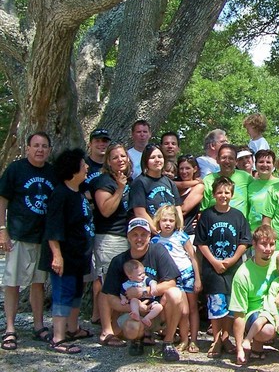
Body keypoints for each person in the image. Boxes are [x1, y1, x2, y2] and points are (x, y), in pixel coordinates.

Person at [0, 132, 56, 350]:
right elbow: (2, 200)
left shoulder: (52, 173)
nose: (40, 150)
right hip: (18, 235)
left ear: (49, 150)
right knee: (12, 283)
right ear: (28, 148)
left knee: (38, 283)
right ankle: (10, 329)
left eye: (44, 146)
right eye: (36, 146)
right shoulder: (16, 169)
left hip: (42, 237)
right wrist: (2, 230)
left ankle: (38, 325)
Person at [101, 217, 185, 361]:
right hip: (134, 312)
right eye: (135, 235)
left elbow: (171, 282)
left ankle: (168, 342)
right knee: (131, 329)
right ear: (128, 237)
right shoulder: (119, 261)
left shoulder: (158, 250)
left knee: (176, 293)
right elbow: (111, 299)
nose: (139, 239)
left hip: (157, 309)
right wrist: (135, 307)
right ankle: (137, 339)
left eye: (143, 234)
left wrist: (143, 292)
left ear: (149, 236)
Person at [39, 148, 94, 354]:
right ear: (73, 170)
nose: (87, 167)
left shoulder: (77, 193)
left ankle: (73, 329)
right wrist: (57, 255)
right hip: (64, 256)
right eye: (83, 165)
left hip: (78, 256)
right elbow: (52, 228)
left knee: (76, 293)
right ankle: (58, 338)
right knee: (63, 294)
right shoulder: (60, 194)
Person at [229, 225, 279, 366]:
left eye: (271, 244)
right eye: (263, 244)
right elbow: (239, 314)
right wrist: (239, 349)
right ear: (254, 244)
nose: (268, 248)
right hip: (257, 312)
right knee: (268, 330)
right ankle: (254, 342)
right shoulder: (243, 274)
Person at [196, 176, 252, 358]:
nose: (223, 195)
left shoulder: (238, 215)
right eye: (219, 192)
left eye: (227, 192)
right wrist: (214, 261)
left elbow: (245, 240)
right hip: (212, 269)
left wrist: (232, 259)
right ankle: (216, 340)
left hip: (232, 268)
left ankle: (226, 338)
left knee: (229, 305)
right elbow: (201, 242)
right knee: (216, 305)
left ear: (232, 194)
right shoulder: (207, 215)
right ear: (213, 194)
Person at [92, 143, 133, 346]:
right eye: (115, 157)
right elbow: (106, 210)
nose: (120, 160)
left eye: (123, 156)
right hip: (109, 237)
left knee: (120, 286)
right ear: (108, 161)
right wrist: (120, 189)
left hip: (128, 238)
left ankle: (116, 328)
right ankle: (106, 331)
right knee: (107, 284)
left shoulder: (130, 180)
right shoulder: (104, 181)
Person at [151, 205, 202, 353]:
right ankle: (182, 338)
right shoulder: (155, 241)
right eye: (164, 220)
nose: (167, 223)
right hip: (172, 278)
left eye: (171, 220)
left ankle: (193, 340)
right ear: (159, 221)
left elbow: (193, 257)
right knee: (183, 310)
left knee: (192, 308)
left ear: (176, 222)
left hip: (187, 274)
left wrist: (198, 278)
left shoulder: (181, 236)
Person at [128, 143, 181, 233]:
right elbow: (140, 212)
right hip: (151, 234)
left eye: (160, 157)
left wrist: (178, 228)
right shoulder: (139, 183)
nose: (157, 160)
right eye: (152, 158)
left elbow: (178, 208)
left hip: (171, 234)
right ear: (146, 161)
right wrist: (157, 231)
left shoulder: (170, 183)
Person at [200, 143, 252, 216]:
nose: (227, 161)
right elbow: (203, 210)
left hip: (240, 225)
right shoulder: (208, 180)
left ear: (236, 161)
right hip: (215, 224)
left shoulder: (246, 178)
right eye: (224, 157)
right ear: (217, 160)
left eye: (231, 158)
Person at [120, 259, 163, 328]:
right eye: (140, 274)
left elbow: (153, 282)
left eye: (144, 273)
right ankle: (136, 314)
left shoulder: (145, 279)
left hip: (149, 301)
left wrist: (153, 288)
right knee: (133, 300)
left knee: (159, 307)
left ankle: (147, 318)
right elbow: (122, 293)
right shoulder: (126, 284)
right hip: (137, 302)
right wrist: (123, 299)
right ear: (130, 276)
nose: (143, 275)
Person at [248, 149, 279, 232]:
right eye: (261, 161)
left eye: (268, 162)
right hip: (253, 232)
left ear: (273, 165)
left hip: (275, 233)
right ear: (255, 165)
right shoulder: (251, 185)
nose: (264, 164)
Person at [175, 154, 204, 242]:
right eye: (181, 168)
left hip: (188, 233)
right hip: (169, 232)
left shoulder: (199, 187)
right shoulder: (174, 184)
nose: (184, 171)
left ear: (194, 169)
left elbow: (183, 209)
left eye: (187, 168)